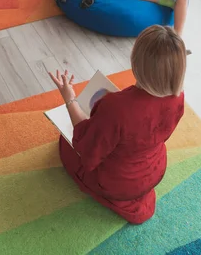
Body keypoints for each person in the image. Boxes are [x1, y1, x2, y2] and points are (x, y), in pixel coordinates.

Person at [48, 25, 186, 224]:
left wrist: (70, 99)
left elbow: (86, 148)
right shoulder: (178, 95)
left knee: (65, 143)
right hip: (155, 168)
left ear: (136, 62)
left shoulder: (116, 107)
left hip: (118, 182)